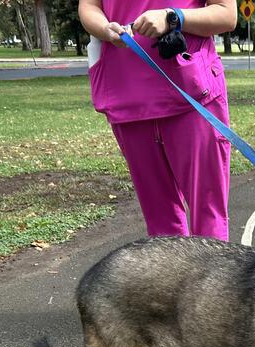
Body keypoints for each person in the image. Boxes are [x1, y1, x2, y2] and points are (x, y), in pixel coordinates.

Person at [78, 0, 238, 240]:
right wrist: (105, 29)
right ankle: (168, 278)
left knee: (208, 222)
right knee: (161, 228)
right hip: (128, 98)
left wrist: (174, 18)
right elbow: (89, 6)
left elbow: (226, 15)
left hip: (192, 95)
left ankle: (212, 279)